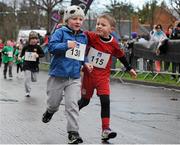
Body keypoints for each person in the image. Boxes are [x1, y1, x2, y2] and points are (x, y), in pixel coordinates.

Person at [78, 14, 137, 142]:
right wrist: (66, 28)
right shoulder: (91, 36)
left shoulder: (114, 44)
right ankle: (71, 113)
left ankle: (106, 130)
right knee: (85, 101)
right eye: (98, 24)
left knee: (105, 101)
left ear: (111, 29)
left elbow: (121, 56)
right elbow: (78, 32)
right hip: (89, 75)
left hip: (103, 77)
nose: (99, 26)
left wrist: (129, 68)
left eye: (103, 25)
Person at [41, 5, 92, 144]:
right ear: (67, 20)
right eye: (74, 18)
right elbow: (51, 47)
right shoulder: (60, 32)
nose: (78, 21)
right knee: (53, 103)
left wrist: (85, 63)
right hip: (57, 75)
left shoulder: (83, 36)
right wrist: (66, 45)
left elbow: (81, 54)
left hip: (74, 77)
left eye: (80, 19)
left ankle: (73, 132)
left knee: (72, 105)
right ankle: (50, 111)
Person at [19, 31, 44, 97]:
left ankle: (32, 79)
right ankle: (27, 92)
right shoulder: (26, 47)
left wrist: (38, 55)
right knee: (27, 78)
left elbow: (43, 54)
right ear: (30, 39)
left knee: (34, 79)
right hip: (26, 65)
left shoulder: (38, 47)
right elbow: (21, 54)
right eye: (33, 39)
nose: (34, 40)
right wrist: (19, 57)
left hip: (34, 65)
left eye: (36, 39)